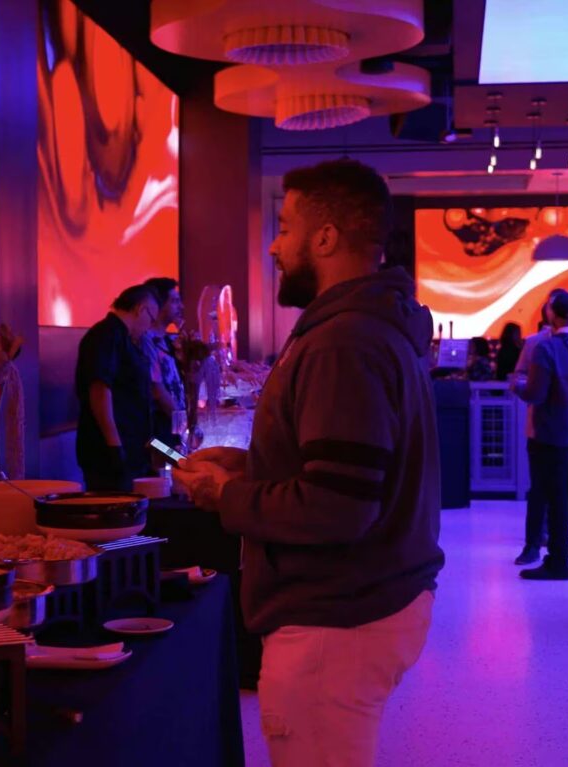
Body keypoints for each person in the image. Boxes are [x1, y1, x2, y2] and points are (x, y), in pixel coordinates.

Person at [174, 159, 443, 767]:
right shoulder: (369, 325)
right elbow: (351, 468)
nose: (273, 244)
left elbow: (339, 507)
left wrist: (228, 496)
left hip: (336, 616)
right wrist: (251, 467)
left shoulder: (342, 340)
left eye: (285, 225)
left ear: (324, 238)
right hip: (369, 598)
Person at [511, 290, 568, 579]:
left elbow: (536, 394)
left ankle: (557, 561)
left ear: (552, 314)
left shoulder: (545, 348)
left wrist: (517, 385)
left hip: (552, 433)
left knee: (556, 496)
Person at [74, 284, 159, 491]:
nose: (150, 326)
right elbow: (99, 388)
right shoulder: (106, 334)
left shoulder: (124, 338)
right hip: (108, 451)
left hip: (131, 448)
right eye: (152, 318)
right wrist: (114, 446)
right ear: (141, 309)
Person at [512, 293, 563, 565]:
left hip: (562, 427)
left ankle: (556, 544)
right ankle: (535, 542)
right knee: (540, 487)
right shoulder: (534, 343)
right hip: (541, 426)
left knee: (557, 487)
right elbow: (519, 374)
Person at [142, 277, 185, 447]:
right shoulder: (146, 341)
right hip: (158, 435)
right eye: (174, 301)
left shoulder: (167, 341)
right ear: (157, 305)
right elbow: (157, 391)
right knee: (166, 470)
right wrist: (184, 424)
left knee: (180, 466)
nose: (180, 307)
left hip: (172, 429)